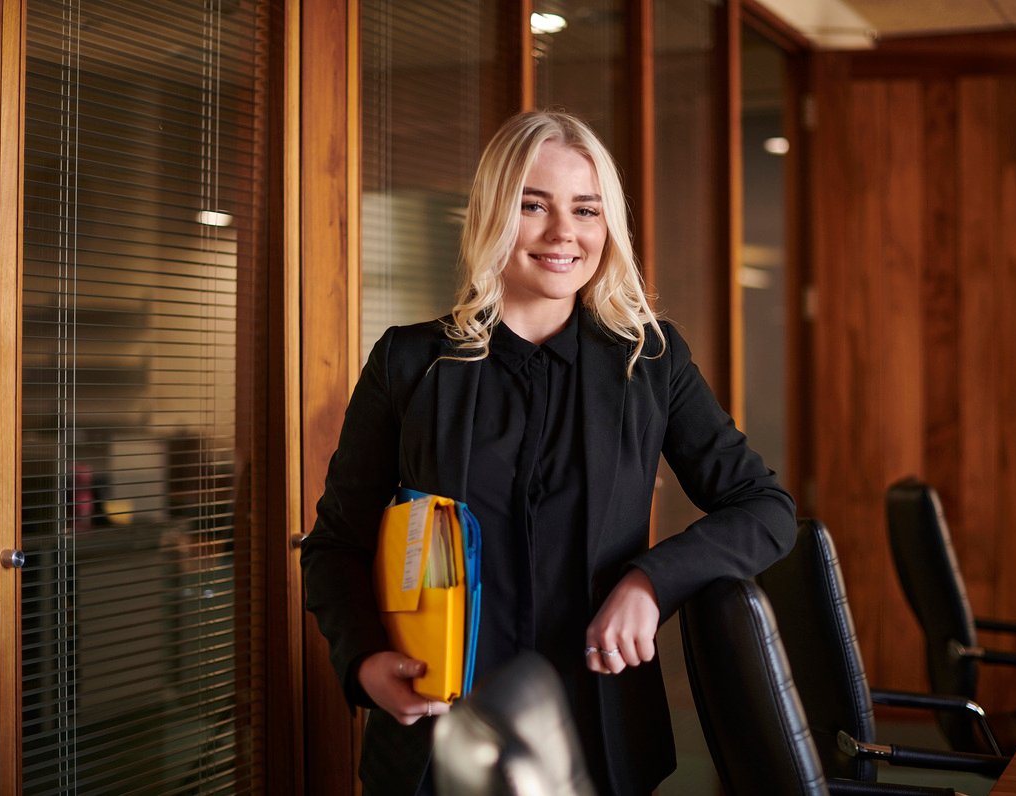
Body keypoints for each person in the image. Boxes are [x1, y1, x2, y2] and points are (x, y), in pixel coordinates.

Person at [301, 110, 796, 795]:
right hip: (439, 739)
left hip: (602, 737)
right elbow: (335, 546)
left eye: (586, 210)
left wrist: (651, 582)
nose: (565, 232)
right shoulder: (408, 362)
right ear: (493, 216)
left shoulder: (652, 361)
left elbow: (765, 508)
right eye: (534, 205)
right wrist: (365, 663)